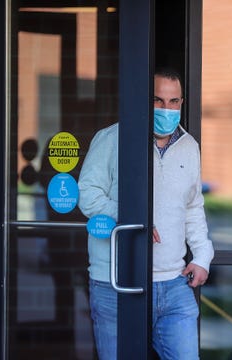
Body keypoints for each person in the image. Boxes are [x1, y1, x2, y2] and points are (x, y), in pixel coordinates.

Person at [78, 68, 214, 359]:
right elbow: (87, 196)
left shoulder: (189, 147)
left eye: (174, 101)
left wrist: (202, 256)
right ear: (143, 99)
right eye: (158, 100)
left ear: (181, 103)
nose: (167, 109)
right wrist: (131, 215)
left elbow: (192, 206)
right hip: (116, 284)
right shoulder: (111, 139)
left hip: (173, 283)